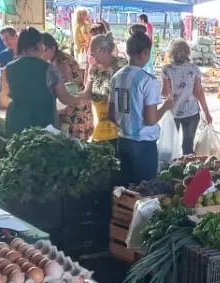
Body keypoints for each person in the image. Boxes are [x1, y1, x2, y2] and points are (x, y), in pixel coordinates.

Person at [110, 33, 171, 184]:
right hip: (143, 145)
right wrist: (166, 106)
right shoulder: (148, 81)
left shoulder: (116, 77)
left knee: (125, 189)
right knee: (144, 191)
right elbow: (150, 120)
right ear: (145, 52)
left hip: (123, 140)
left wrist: (127, 123)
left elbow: (110, 114)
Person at [4, 27, 81, 137]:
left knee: (17, 151)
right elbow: (64, 98)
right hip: (42, 122)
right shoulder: (48, 68)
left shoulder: (9, 67)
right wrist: (83, 96)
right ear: (39, 44)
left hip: (16, 120)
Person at [161, 39, 212, 155]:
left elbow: (164, 93)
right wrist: (207, 112)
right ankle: (186, 170)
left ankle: (170, 169)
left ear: (172, 53)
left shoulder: (167, 69)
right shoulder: (194, 69)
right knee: (188, 147)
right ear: (188, 53)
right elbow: (199, 92)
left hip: (174, 113)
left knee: (170, 147)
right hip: (192, 113)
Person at [83, 33, 126, 145]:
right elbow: (87, 93)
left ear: (103, 50)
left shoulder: (122, 65)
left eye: (93, 52)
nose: (92, 56)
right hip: (99, 124)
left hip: (119, 125)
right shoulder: (94, 69)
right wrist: (70, 97)